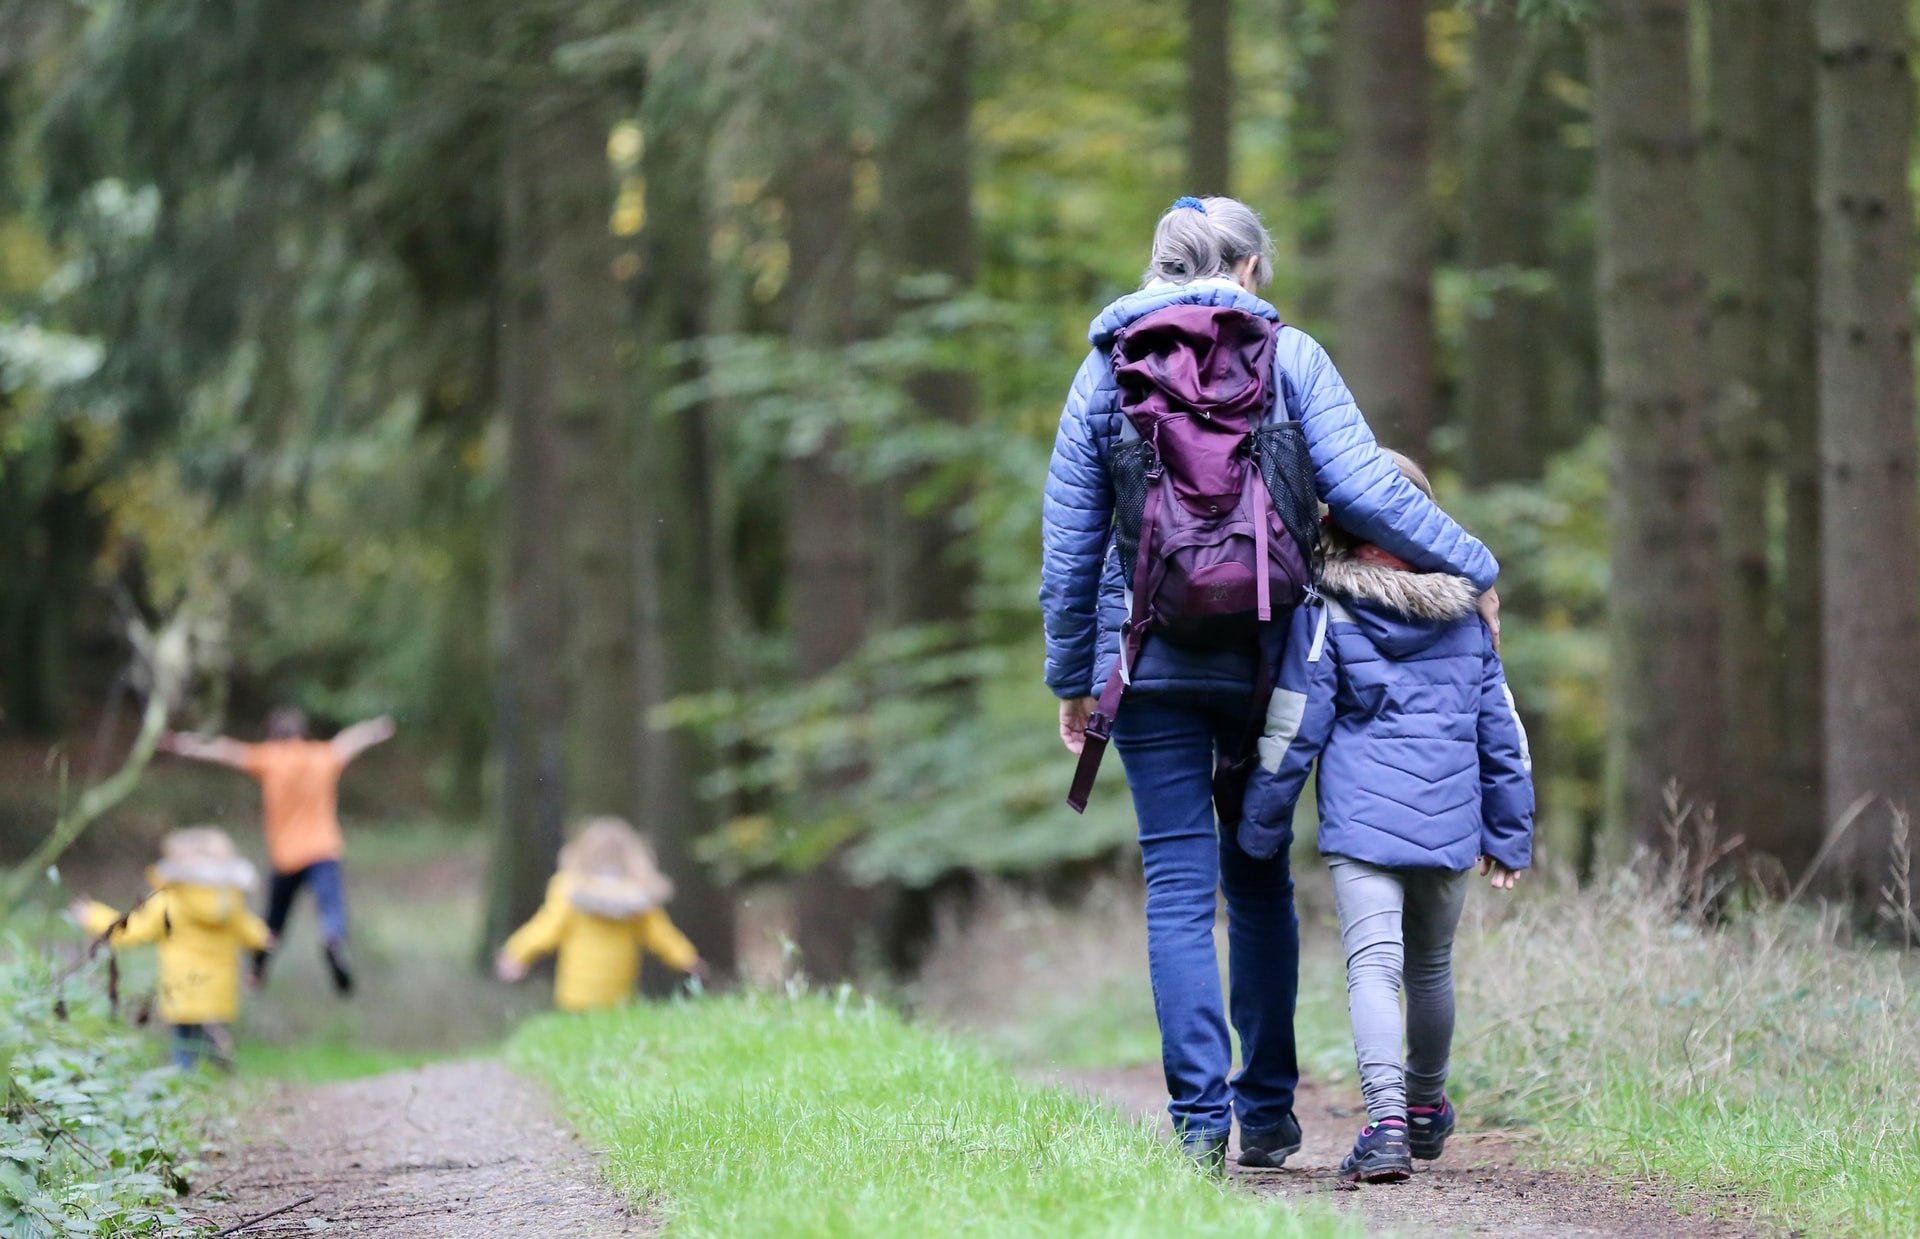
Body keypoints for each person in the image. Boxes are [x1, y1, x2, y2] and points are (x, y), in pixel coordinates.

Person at [1039, 196, 1501, 1170]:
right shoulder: (1292, 357)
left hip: (1151, 660)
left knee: (1176, 885)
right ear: (1248, 268)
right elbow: (1371, 489)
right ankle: (1272, 1115)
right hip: (1272, 661)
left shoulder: (1102, 372)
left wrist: (1073, 679)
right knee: (1258, 878)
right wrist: (1476, 567)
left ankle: (1200, 1128)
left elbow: (1070, 547)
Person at [1240, 451, 1534, 1183]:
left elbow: (1294, 723)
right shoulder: (1469, 614)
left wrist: (1260, 823)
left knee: (1374, 968)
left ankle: (1388, 1124)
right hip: (1449, 821)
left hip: (1365, 829)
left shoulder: (1328, 609)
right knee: (1431, 966)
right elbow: (1503, 732)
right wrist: (1509, 831)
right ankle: (1429, 1106)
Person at [158, 707, 395, 994]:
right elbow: (349, 741)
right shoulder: (321, 756)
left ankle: (258, 970)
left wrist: (181, 743)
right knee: (331, 906)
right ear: (303, 734)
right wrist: (376, 728)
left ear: (273, 735)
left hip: (287, 857)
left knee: (274, 919)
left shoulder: (270, 758)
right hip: (323, 850)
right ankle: (333, 940)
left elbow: (224, 750)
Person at [70, 827, 274, 1070]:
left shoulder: (171, 899)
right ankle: (216, 1064)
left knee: (184, 1040)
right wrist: (264, 938)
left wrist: (94, 916)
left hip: (184, 986)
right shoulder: (229, 901)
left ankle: (186, 1076)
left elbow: (132, 928)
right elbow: (249, 930)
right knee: (204, 1031)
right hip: (219, 987)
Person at [494, 817, 708, 1011]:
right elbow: (661, 934)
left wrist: (516, 953)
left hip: (576, 993)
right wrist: (687, 958)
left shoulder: (570, 889)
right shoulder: (638, 895)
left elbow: (546, 928)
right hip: (618, 993)